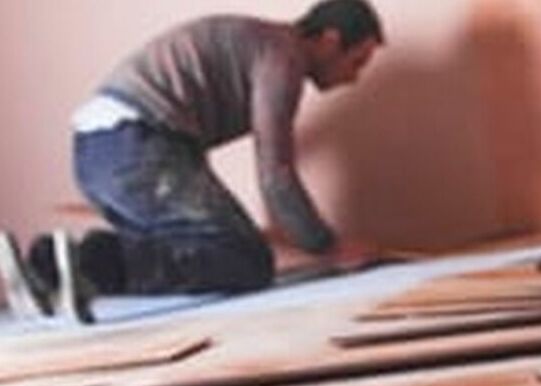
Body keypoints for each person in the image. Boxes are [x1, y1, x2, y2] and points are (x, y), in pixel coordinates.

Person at [28, 0, 385, 309]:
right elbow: (276, 174)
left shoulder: (260, 42)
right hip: (136, 142)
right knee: (244, 258)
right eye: (356, 62)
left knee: (179, 250)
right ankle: (79, 264)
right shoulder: (283, 56)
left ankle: (53, 266)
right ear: (330, 40)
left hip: (96, 151)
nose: (353, 78)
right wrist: (328, 246)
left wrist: (285, 227)